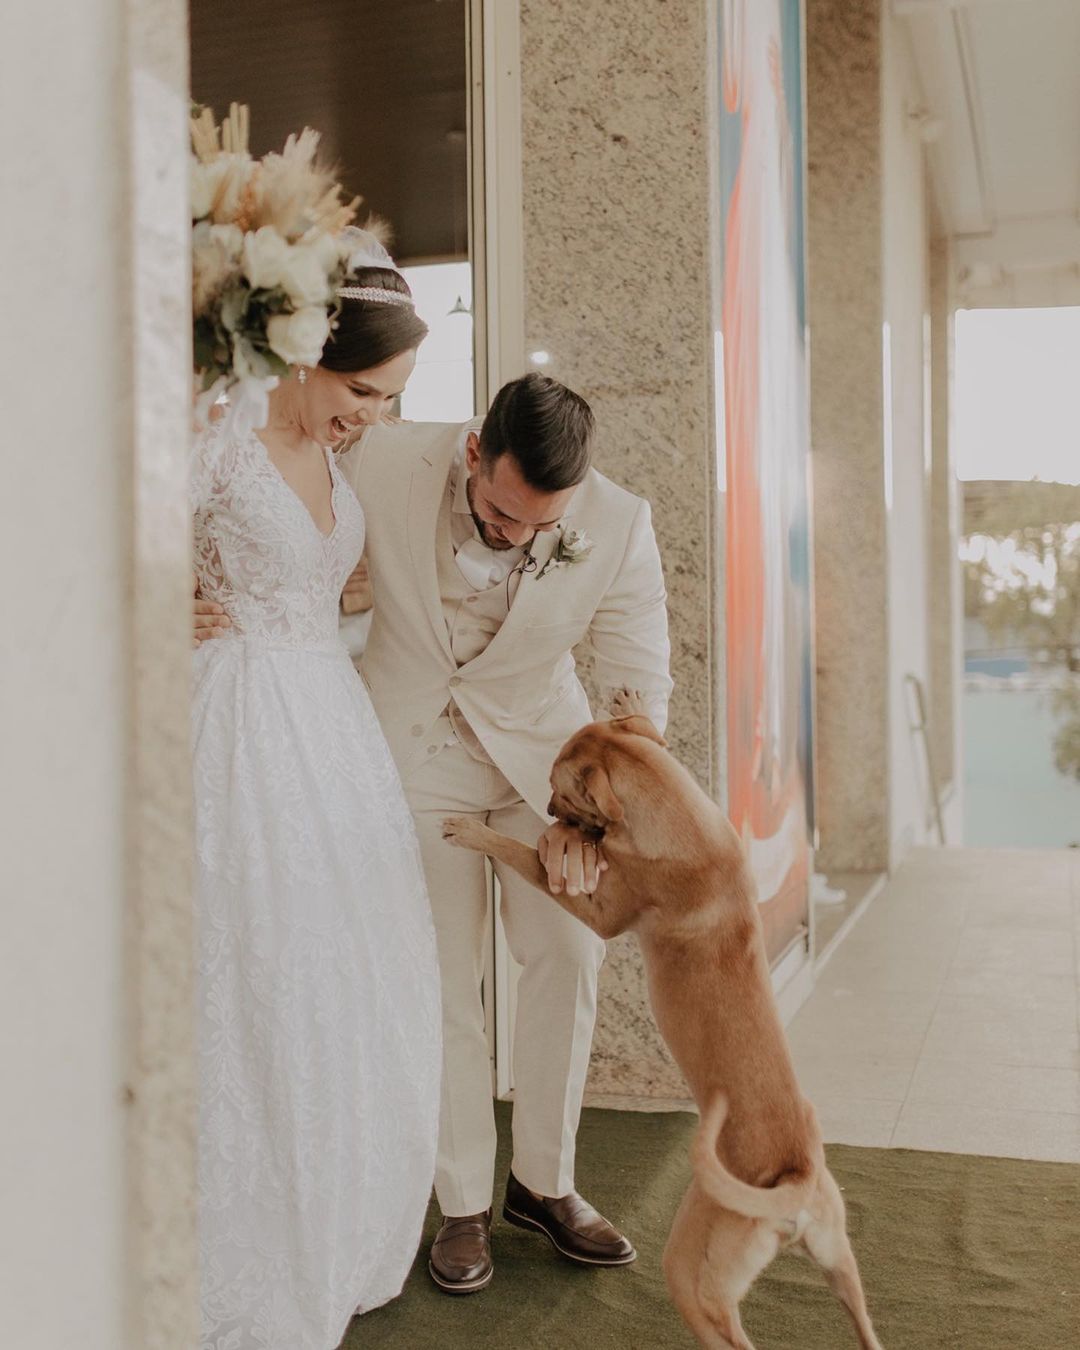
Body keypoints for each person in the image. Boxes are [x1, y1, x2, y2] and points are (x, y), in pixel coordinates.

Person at [338, 374, 673, 1294]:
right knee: (447, 978)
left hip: (544, 764)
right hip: (411, 754)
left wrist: (591, 822)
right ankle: (460, 1206)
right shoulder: (381, 457)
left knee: (569, 951)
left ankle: (545, 1183)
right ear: (475, 451)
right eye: (499, 515)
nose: (515, 536)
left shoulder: (619, 521)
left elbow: (637, 690)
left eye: (538, 526)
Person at [190, 247, 442, 1350]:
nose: (374, 418)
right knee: (245, 970)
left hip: (326, 731)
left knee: (339, 973)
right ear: (302, 356)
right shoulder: (211, 436)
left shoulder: (338, 462)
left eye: (389, 401)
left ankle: (332, 1219)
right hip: (230, 727)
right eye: (362, 393)